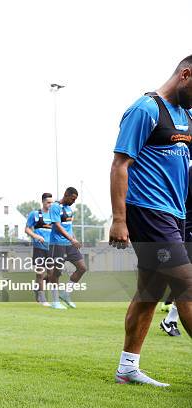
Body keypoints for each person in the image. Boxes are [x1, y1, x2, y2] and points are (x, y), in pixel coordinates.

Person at [109, 55, 192, 386]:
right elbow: (119, 165)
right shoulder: (145, 109)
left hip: (175, 214)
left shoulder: (185, 115)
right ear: (186, 75)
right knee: (186, 285)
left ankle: (127, 368)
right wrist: (119, 220)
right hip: (148, 212)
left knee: (149, 292)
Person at [46, 187, 87, 309]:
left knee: (82, 268)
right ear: (66, 195)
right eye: (72, 199)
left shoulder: (69, 209)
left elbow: (69, 227)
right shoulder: (55, 207)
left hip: (69, 244)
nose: (74, 201)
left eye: (75, 199)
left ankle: (65, 294)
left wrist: (74, 239)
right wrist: (71, 239)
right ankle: (54, 301)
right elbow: (57, 226)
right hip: (57, 244)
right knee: (57, 272)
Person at [25, 193, 54, 307]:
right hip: (39, 248)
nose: (50, 204)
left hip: (52, 248)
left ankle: (37, 287)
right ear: (43, 202)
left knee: (52, 274)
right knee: (40, 274)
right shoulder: (35, 214)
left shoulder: (54, 216)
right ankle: (42, 298)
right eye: (48, 202)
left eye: (52, 202)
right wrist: (36, 237)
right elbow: (27, 229)